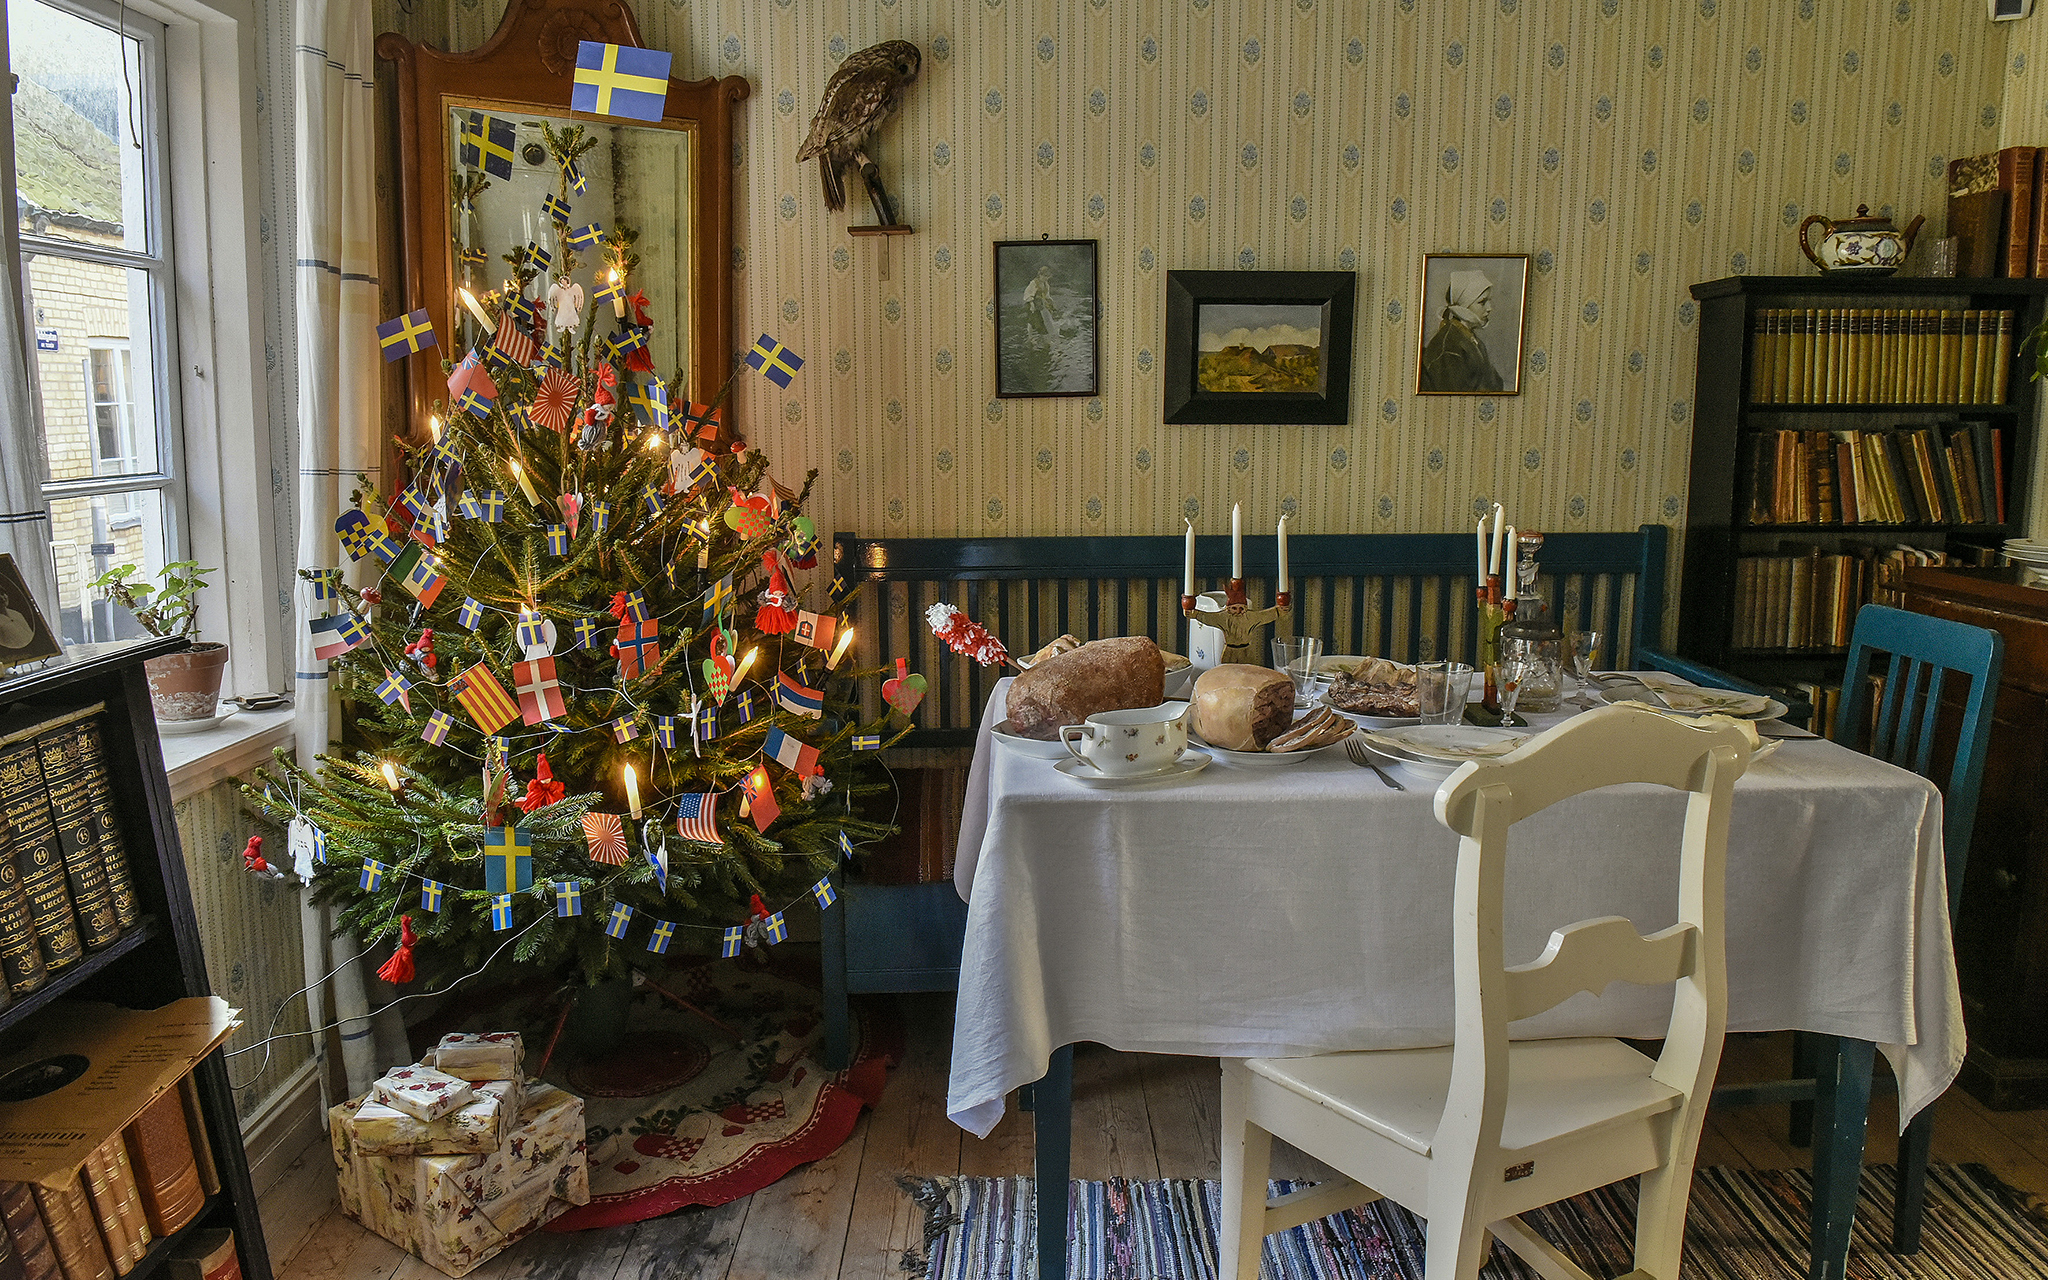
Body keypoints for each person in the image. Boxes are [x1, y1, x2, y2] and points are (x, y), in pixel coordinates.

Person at [1418, 269, 1506, 392]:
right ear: (1463, 306)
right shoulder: (1449, 347)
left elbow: (1495, 384)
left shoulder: (1473, 341)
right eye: (1482, 302)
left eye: (1489, 301)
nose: (1489, 308)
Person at [1021, 265, 1056, 339]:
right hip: (1031, 304)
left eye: (1047, 277)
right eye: (1044, 276)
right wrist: (1031, 304)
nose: (1045, 278)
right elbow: (1027, 294)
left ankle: (1038, 336)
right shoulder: (1034, 283)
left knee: (1038, 319)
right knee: (1033, 320)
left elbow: (1047, 295)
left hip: (1039, 304)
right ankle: (1030, 336)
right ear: (1040, 275)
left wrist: (1050, 301)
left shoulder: (1046, 284)